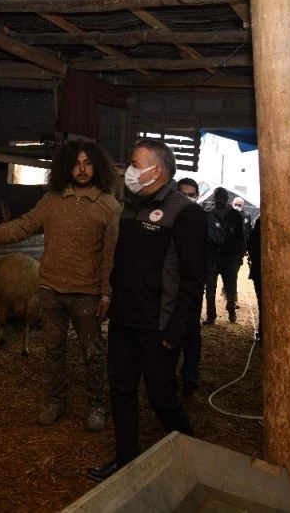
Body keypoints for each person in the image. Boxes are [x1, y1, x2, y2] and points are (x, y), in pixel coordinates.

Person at [0, 140, 121, 432]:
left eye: (88, 163)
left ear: (98, 167)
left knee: (93, 352)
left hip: (86, 293)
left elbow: (111, 256)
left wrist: (106, 294)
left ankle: (96, 405)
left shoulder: (108, 206)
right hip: (50, 290)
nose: (82, 169)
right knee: (53, 350)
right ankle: (56, 402)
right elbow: (22, 226)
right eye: (76, 163)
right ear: (66, 167)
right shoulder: (52, 201)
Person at [87, 140, 206, 483]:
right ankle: (126, 460)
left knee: (162, 397)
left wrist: (177, 330)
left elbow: (193, 279)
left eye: (136, 164)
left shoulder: (185, 213)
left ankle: (195, 466)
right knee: (121, 391)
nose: (129, 170)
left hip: (158, 325)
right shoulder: (131, 208)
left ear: (158, 170)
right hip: (125, 319)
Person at [175, 177, 202, 395]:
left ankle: (190, 374)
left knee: (192, 330)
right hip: (169, 285)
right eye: (182, 194)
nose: (186, 198)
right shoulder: (167, 218)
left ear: (197, 196)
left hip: (192, 285)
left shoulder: (202, 219)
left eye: (190, 195)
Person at [203, 187, 246, 325]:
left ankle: (229, 309)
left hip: (227, 257)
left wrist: (240, 255)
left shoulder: (234, 215)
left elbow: (241, 236)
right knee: (213, 288)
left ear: (227, 199)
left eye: (222, 197)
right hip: (216, 256)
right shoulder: (209, 214)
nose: (220, 200)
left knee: (229, 287)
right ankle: (213, 315)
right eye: (218, 197)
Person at [248, 216, 263, 341]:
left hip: (258, 270)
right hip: (260, 270)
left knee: (262, 301)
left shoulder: (258, 225)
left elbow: (251, 246)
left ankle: (262, 331)